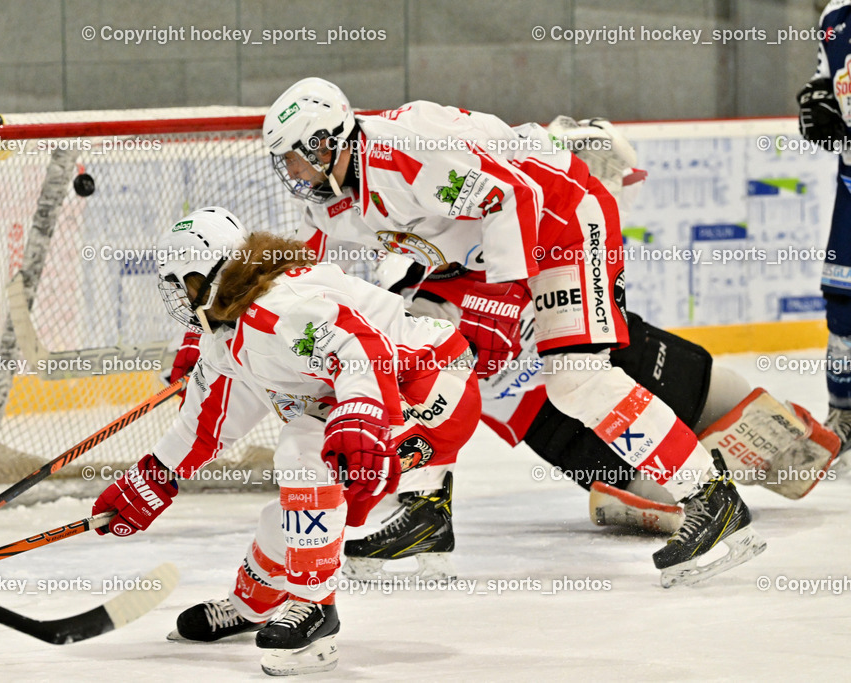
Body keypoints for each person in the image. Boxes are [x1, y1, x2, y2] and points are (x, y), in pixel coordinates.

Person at [260, 76, 767, 587]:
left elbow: (515, 195)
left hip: (564, 222)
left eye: (297, 156)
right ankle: (425, 510)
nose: (293, 171)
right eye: (284, 162)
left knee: (577, 380)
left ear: (329, 141)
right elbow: (300, 269)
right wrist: (234, 329)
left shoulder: (407, 153)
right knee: (420, 352)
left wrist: (507, 296)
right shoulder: (328, 200)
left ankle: (711, 498)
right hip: (481, 251)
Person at [93, 206, 480, 675]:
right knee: (298, 504)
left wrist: (358, 420)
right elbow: (207, 423)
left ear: (211, 274)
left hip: (430, 385)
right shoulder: (229, 331)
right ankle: (251, 604)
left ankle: (316, 607)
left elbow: (364, 350)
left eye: (185, 284)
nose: (180, 298)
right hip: (374, 395)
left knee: (304, 458)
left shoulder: (284, 306)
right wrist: (153, 479)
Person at [796, 1, 851, 456]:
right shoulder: (836, 16)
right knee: (843, 301)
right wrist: (816, 104)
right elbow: (825, 82)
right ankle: (845, 414)